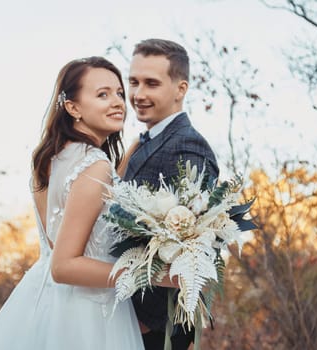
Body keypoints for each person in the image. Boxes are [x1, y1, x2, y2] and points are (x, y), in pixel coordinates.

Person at [0, 56, 176, 350]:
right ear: (73, 107)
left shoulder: (49, 159)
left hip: (42, 304)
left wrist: (125, 159)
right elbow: (64, 265)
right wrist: (157, 275)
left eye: (119, 93)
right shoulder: (94, 166)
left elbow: (78, 215)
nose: (118, 102)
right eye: (102, 95)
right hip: (88, 317)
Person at [123, 39, 219, 350]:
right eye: (134, 82)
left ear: (180, 89)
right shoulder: (144, 142)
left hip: (153, 331)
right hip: (124, 319)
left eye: (151, 83)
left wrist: (148, 322)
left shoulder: (188, 146)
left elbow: (195, 247)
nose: (138, 94)